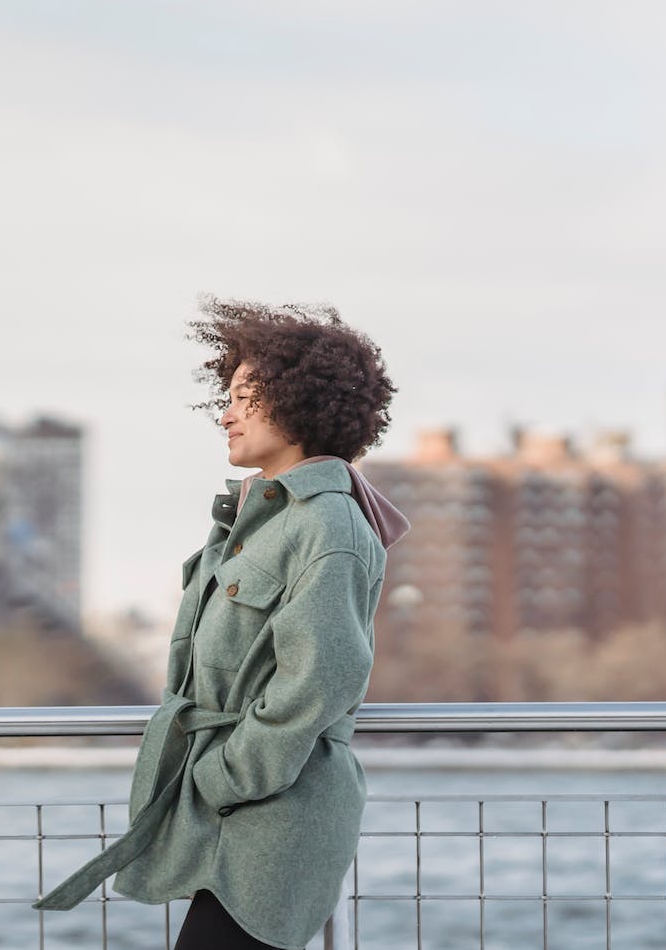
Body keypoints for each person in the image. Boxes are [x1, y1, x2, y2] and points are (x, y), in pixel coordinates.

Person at [37, 298, 408, 949]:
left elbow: (321, 676)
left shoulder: (329, 524)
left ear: (300, 402)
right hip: (230, 809)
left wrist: (228, 775)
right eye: (227, 394)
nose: (226, 412)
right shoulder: (260, 522)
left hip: (273, 814)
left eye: (245, 396)